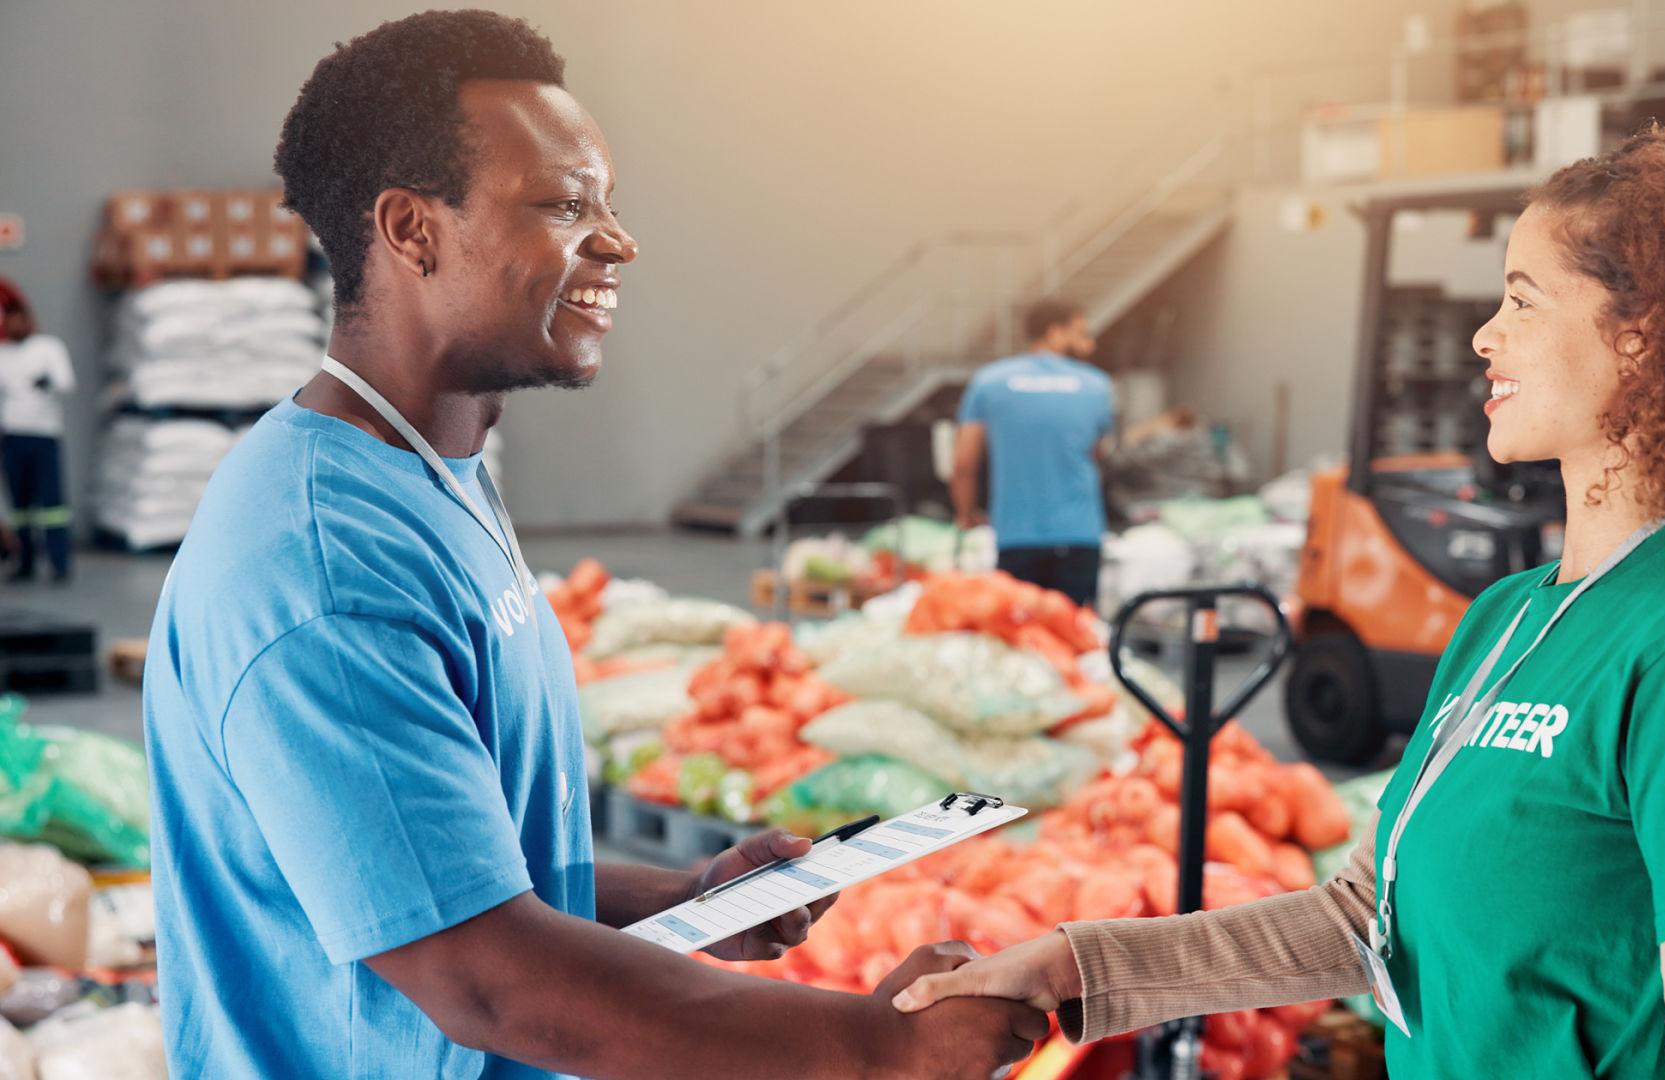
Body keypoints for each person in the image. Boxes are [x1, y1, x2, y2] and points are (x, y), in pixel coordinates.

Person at [895, 126, 1665, 1079]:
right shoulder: (1506, 620)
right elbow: (1360, 920)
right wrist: (1072, 969)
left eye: (1520, 300)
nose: (1482, 337)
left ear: (1642, 339)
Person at [144, 12, 1044, 1079]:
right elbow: (487, 977)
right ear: (411, 230)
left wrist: (678, 900)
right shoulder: (326, 565)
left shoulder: (436, 475)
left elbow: (445, 870)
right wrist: (868, 1049)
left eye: (608, 204)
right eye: (566, 205)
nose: (617, 241)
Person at [952, 298, 1113, 607]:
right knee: (1073, 639)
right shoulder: (1097, 386)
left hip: (1016, 537)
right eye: (1079, 333)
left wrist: (965, 515)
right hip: (1079, 535)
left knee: (1022, 644)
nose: (1088, 343)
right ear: (1054, 333)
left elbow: (963, 464)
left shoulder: (989, 382)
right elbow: (1097, 453)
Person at [0, 278, 75, 581]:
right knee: (20, 506)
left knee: (52, 504)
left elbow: (67, 382)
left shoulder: (48, 348)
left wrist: (47, 383)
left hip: (44, 435)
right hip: (12, 436)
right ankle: (25, 561)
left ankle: (59, 562)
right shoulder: (3, 354)